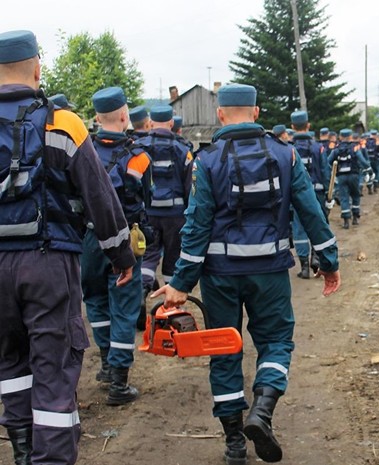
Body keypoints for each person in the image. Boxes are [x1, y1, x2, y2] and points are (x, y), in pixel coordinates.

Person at [151, 84, 341, 465]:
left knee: (224, 350)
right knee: (275, 343)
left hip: (219, 275)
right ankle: (262, 411)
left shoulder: (207, 160)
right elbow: (311, 211)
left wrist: (181, 284)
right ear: (256, 112)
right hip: (269, 271)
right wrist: (329, 261)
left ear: (220, 115)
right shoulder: (285, 154)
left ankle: (234, 443)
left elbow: (196, 225)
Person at [0, 30, 135, 465]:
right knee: (54, 368)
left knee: (10, 364)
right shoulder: (62, 122)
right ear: (37, 69)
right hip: (48, 261)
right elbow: (99, 197)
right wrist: (121, 256)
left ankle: (22, 453)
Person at [82, 86, 152, 406]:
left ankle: (107, 364)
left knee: (95, 300)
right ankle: (119, 384)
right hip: (124, 237)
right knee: (124, 306)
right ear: (125, 116)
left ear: (97, 117)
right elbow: (143, 201)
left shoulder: (82, 151)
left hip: (88, 238)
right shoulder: (138, 157)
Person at [137, 105, 193, 299]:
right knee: (172, 257)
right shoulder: (183, 150)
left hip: (148, 214)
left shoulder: (138, 147)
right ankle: (173, 304)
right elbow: (189, 187)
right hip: (175, 216)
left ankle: (141, 292)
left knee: (148, 255)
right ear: (171, 123)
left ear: (150, 122)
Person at [290, 110, 333, 279]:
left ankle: (304, 267)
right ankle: (316, 257)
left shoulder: (288, 149)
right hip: (318, 192)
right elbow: (326, 171)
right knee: (317, 224)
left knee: (299, 228)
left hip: (295, 194)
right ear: (308, 126)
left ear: (292, 127)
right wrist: (330, 195)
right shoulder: (318, 147)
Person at [327, 129, 369, 229]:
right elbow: (362, 160)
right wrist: (368, 169)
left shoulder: (336, 149)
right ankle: (355, 217)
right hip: (354, 175)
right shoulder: (355, 148)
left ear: (340, 137)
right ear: (350, 137)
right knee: (355, 195)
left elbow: (328, 161)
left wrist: (331, 173)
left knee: (344, 197)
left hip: (341, 176)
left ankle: (346, 220)